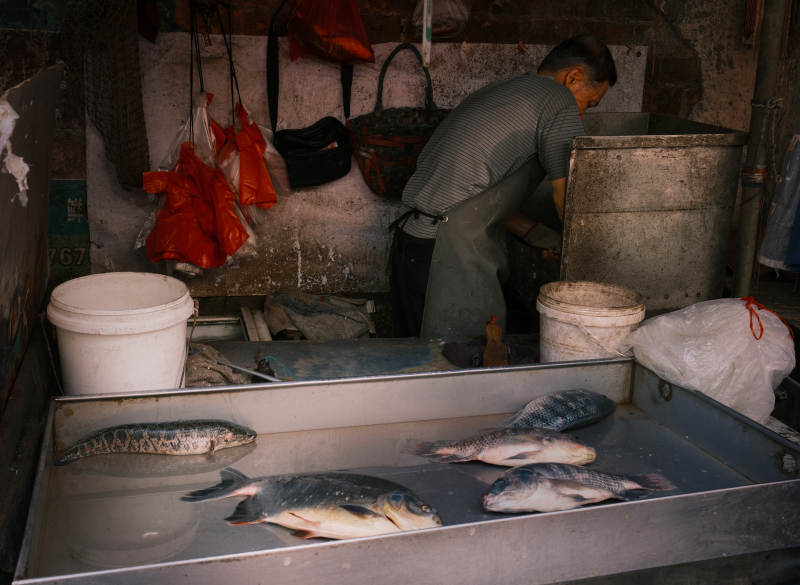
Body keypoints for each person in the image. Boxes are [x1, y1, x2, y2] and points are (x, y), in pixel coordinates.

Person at [389, 34, 617, 340]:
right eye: (589, 103)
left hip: (409, 242)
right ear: (573, 77)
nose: (582, 116)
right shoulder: (558, 100)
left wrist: (538, 236)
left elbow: (475, 198)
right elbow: (570, 202)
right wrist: (589, 273)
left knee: (413, 362)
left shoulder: (503, 90)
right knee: (463, 363)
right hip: (448, 254)